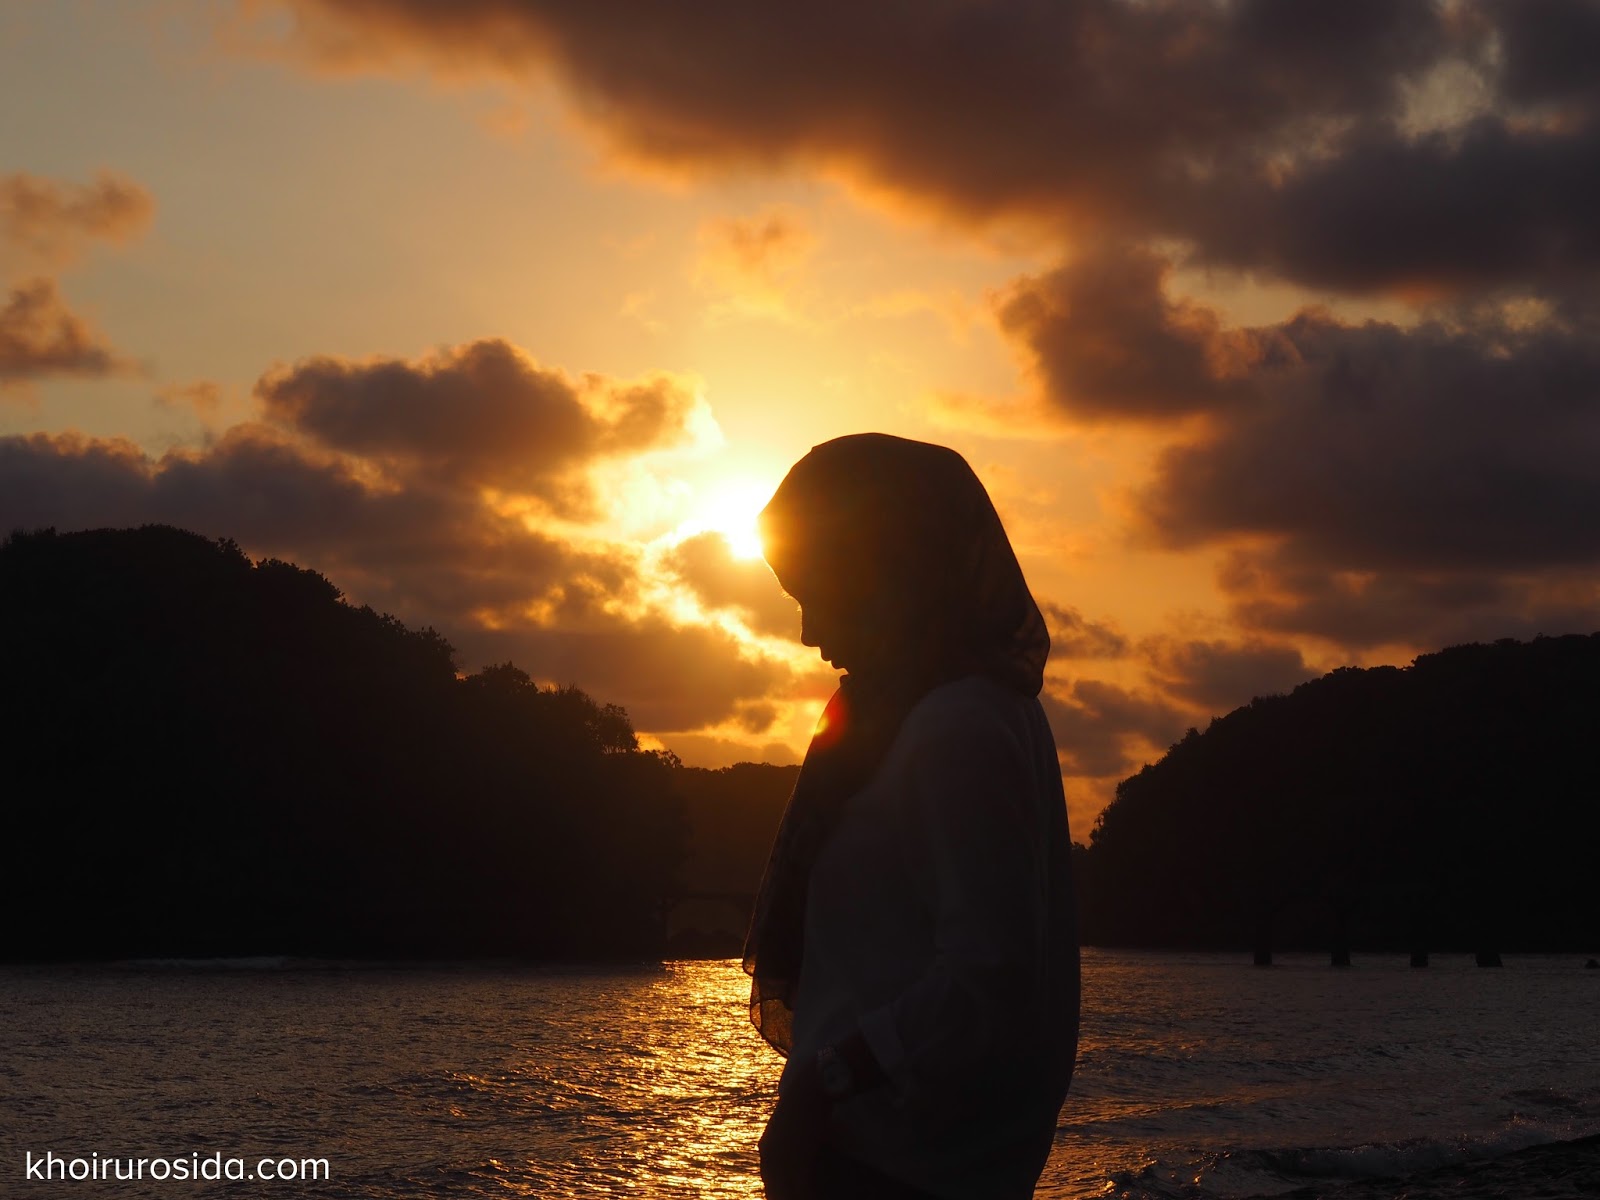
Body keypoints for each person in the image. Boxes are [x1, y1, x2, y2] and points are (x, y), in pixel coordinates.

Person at [743, 433, 1080, 1200]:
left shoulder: (955, 724)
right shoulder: (956, 708)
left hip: (897, 1167)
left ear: (887, 568)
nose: (807, 631)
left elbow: (990, 975)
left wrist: (822, 1084)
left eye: (818, 589)